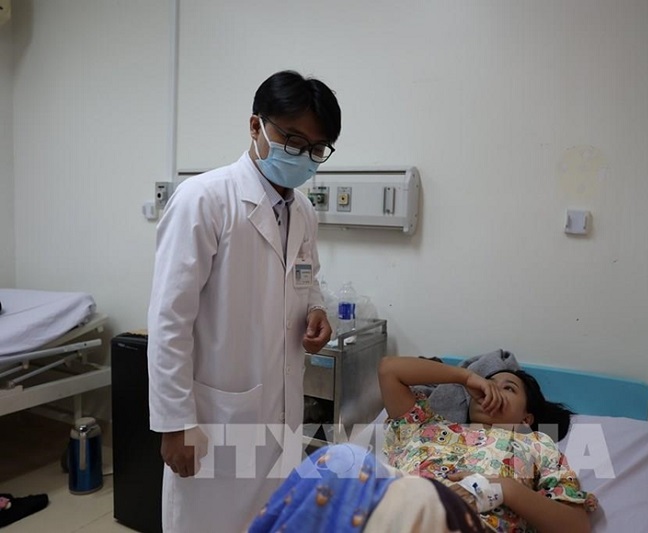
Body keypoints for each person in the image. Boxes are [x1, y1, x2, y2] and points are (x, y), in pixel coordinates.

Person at [147, 70, 340, 533]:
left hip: (280, 415)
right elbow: (170, 319)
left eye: (316, 149)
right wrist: (174, 422)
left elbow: (306, 275)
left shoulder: (303, 211)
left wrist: (315, 309)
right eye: (293, 140)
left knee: (271, 521)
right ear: (256, 126)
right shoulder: (204, 200)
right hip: (215, 419)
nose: (303, 156)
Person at [378, 356, 596, 533]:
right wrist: (466, 377)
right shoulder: (426, 425)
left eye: (508, 389)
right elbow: (389, 370)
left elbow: (576, 526)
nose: (491, 390)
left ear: (526, 419)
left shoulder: (537, 445)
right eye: (488, 383)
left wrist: (503, 489)